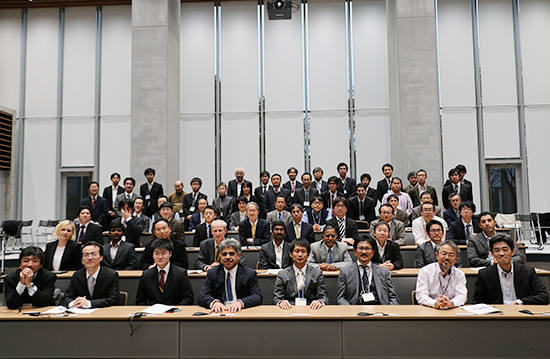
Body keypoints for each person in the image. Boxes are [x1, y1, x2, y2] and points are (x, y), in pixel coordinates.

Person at [473, 234, 549, 305]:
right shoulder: (484, 274)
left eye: (505, 250)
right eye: (497, 250)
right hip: (497, 316)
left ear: (512, 252)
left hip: (521, 313)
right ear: (492, 254)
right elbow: (477, 302)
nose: (501, 253)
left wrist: (519, 302)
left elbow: (543, 296)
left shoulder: (527, 271)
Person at [198, 238, 263, 312]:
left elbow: (257, 297)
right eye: (224, 254)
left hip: (241, 312)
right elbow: (202, 296)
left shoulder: (249, 273)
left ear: (238, 256)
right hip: (220, 312)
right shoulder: (213, 273)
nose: (227, 257)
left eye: (231, 254)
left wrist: (241, 302)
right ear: (221, 257)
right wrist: (214, 302)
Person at [337, 235, 399, 305]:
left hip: (380, 311)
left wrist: (387, 311)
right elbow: (341, 298)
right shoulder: (345, 272)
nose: (364, 252)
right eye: (361, 248)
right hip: (355, 310)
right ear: (355, 251)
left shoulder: (384, 272)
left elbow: (393, 297)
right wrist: (350, 311)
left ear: (373, 253)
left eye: (367, 248)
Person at [273, 238, 329, 310]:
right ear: (290, 254)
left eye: (303, 251)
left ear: (308, 255)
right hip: (289, 309)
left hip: (312, 309)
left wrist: (320, 302)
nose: (300, 255)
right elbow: (277, 298)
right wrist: (281, 302)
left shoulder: (317, 273)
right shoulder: (282, 274)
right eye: (296, 251)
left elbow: (324, 297)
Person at [136, 238, 194, 305]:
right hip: (152, 313)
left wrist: (176, 309)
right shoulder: (146, 275)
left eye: (163, 253)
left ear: (170, 254)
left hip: (175, 313)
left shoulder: (180, 273)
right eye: (157, 253)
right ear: (152, 255)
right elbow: (140, 300)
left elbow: (188, 298)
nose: (160, 257)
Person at [62, 241, 120, 308]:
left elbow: (114, 299)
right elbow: (67, 297)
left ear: (101, 257)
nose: (89, 258)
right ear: (82, 260)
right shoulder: (77, 276)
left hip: (103, 314)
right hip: (81, 314)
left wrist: (89, 303)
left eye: (93, 254)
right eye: (86, 255)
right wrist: (73, 303)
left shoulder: (111, 275)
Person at [415, 240, 468, 308]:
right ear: (437, 255)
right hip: (430, 310)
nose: (447, 258)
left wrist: (451, 303)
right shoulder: (425, 271)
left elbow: (462, 296)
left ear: (456, 259)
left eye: (451, 255)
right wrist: (435, 303)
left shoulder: (459, 274)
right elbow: (421, 295)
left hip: (452, 310)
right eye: (444, 254)